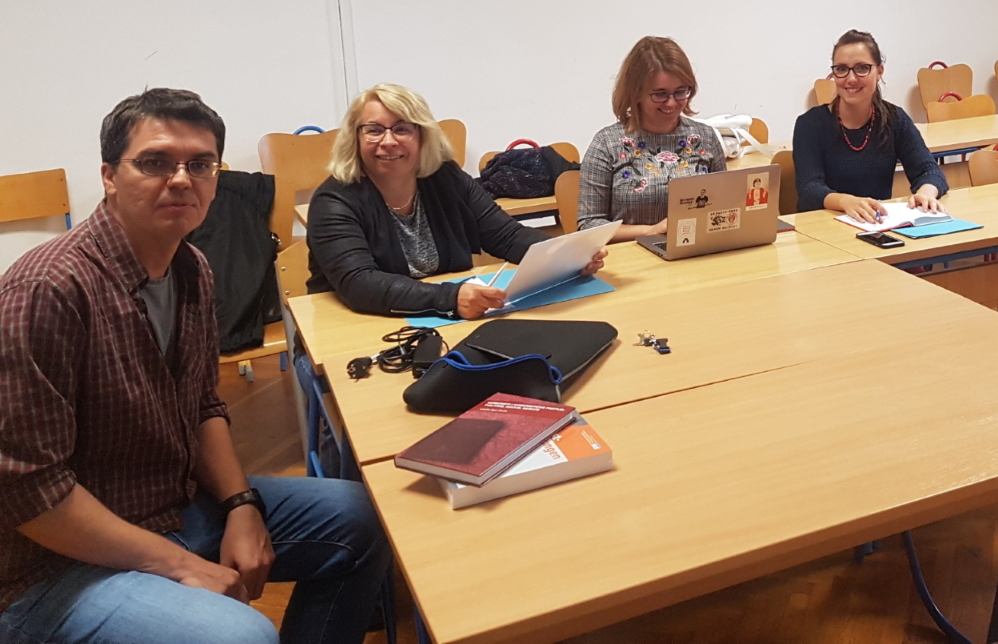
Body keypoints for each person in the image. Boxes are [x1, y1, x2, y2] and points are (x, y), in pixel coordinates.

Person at [0, 88, 391, 644]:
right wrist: (179, 564)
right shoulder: (47, 289)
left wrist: (241, 505)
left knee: (360, 517)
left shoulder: (192, 268)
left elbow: (204, 403)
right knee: (239, 636)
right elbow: (28, 490)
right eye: (155, 162)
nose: (181, 180)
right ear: (110, 176)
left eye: (200, 165)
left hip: (167, 506)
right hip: (55, 565)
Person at [307, 83, 605, 319]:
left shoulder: (445, 177)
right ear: (355, 138)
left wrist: (565, 256)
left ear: (422, 136)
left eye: (402, 128)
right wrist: (449, 298)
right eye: (373, 130)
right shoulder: (333, 200)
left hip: (439, 318)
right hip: (354, 324)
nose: (388, 141)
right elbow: (359, 284)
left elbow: (505, 236)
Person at [578, 36, 727, 241]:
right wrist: (650, 231)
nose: (671, 103)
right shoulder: (606, 144)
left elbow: (724, 207)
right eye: (660, 94)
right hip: (631, 255)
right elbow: (588, 225)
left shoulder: (705, 137)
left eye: (680, 92)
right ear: (636, 93)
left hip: (696, 249)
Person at [793, 30, 949, 223]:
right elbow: (809, 189)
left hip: (876, 225)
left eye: (862, 68)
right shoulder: (810, 124)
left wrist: (926, 193)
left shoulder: (895, 119)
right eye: (841, 69)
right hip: (824, 227)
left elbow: (929, 171)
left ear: (879, 71)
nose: (851, 78)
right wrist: (845, 202)